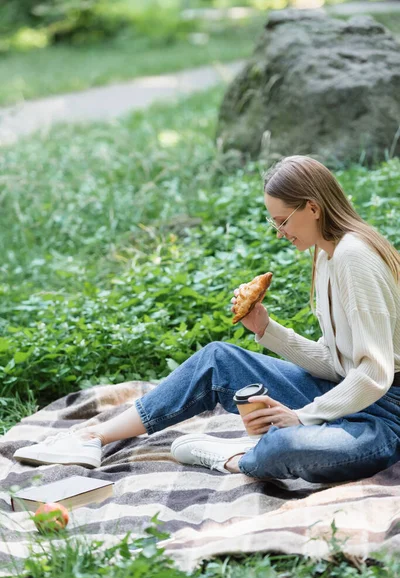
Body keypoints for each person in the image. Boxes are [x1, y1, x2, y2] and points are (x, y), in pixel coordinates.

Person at [14, 156, 400, 484]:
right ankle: (93, 436)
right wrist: (266, 329)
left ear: (313, 208)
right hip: (348, 399)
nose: (280, 232)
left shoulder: (354, 257)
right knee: (218, 359)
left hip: (384, 417)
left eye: (282, 221)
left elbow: (373, 374)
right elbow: (337, 364)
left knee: (287, 444)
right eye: (274, 223)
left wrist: (300, 417)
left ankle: (236, 459)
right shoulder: (327, 257)